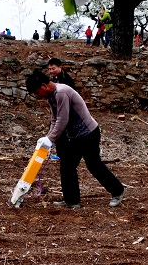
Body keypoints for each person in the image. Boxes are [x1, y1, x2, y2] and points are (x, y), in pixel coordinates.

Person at [25, 69, 125, 209]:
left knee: (93, 165)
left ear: (43, 86)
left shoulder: (61, 93)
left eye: (36, 92)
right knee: (67, 164)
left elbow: (63, 120)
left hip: (88, 133)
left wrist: (51, 138)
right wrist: (48, 138)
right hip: (77, 136)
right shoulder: (52, 96)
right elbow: (54, 120)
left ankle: (118, 190)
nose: (37, 96)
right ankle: (72, 201)